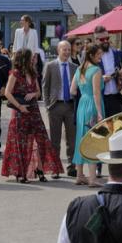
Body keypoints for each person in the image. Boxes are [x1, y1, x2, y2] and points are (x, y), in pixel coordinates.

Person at [1, 48, 61, 183]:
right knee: (21, 142)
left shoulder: (33, 73)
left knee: (40, 140)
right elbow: (7, 93)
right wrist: (19, 106)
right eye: (31, 57)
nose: (34, 60)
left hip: (34, 111)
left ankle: (39, 169)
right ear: (24, 59)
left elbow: (39, 92)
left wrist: (33, 94)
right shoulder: (15, 74)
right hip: (19, 112)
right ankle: (21, 172)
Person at [42, 39, 79, 172]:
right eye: (64, 49)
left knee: (72, 139)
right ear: (58, 50)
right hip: (55, 106)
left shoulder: (75, 67)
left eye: (69, 50)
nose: (67, 52)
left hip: (70, 107)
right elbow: (45, 87)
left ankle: (71, 167)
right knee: (55, 140)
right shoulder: (50, 66)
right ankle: (55, 167)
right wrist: (47, 106)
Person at [72, 43, 104, 187]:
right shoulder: (96, 70)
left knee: (81, 137)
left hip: (82, 105)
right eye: (98, 55)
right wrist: (99, 113)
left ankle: (79, 176)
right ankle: (92, 178)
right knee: (93, 139)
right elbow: (97, 93)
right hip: (92, 104)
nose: (100, 57)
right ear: (91, 55)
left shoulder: (79, 69)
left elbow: (72, 90)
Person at [94, 31, 122, 119]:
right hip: (100, 98)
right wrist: (101, 79)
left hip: (116, 97)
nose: (106, 41)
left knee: (117, 127)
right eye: (102, 39)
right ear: (96, 40)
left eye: (107, 38)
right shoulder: (91, 56)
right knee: (102, 129)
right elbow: (85, 76)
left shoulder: (118, 53)